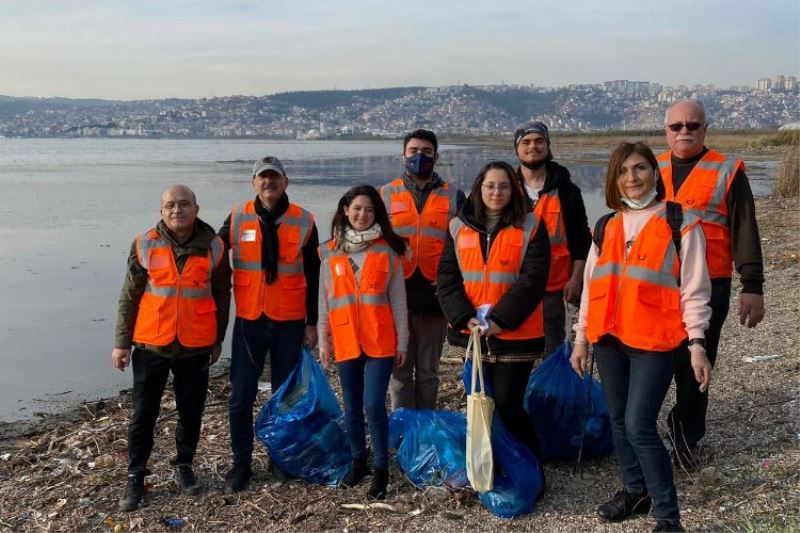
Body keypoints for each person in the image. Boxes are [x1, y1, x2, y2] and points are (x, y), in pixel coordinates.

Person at [571, 142, 713, 533]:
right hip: (609, 340)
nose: (631, 179)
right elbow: (590, 288)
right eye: (623, 172)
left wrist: (697, 345)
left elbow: (695, 290)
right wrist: (581, 339)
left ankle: (668, 518)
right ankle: (635, 491)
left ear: (655, 172)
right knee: (618, 420)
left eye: (639, 169)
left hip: (654, 342)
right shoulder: (606, 226)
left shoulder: (680, 222)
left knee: (639, 425)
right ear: (614, 180)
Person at [659, 99, 766, 469]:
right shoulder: (651, 168)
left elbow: (744, 228)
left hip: (709, 283)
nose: (684, 132)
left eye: (693, 125)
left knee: (696, 361)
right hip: (657, 283)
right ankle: (641, 432)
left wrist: (752, 285)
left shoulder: (727, 170)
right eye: (677, 126)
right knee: (654, 358)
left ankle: (687, 436)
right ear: (666, 130)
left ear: (705, 129)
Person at [112, 184, 231, 512]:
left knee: (191, 411)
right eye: (169, 206)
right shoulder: (145, 243)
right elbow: (130, 295)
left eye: (183, 204)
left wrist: (218, 338)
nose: (176, 210)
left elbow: (223, 294)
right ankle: (135, 475)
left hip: (195, 344)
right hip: (152, 343)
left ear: (196, 208)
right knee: (142, 414)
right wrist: (122, 343)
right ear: (161, 210)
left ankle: (184, 466)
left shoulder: (215, 247)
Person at [219, 156, 320, 493]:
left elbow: (314, 273)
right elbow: (211, 252)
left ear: (285, 181)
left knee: (286, 395)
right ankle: (241, 463)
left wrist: (313, 322)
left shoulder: (304, 221)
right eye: (262, 177)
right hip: (250, 320)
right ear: (253, 183)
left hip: (290, 320)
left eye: (274, 177)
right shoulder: (237, 217)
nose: (268, 183)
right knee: (241, 395)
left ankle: (280, 458)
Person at [437, 161, 550, 458]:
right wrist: (463, 317)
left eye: (504, 186)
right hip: (471, 332)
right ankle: (491, 461)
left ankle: (528, 460)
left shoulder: (531, 225)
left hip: (516, 333)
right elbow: (447, 277)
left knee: (507, 402)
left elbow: (533, 280)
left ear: (514, 190)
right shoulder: (458, 226)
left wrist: (501, 320)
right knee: (479, 401)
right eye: (490, 185)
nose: (496, 192)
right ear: (479, 188)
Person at [318, 185, 409, 500]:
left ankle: (382, 467)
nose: (362, 215)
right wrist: (323, 340)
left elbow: (398, 301)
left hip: (380, 340)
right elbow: (325, 301)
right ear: (345, 210)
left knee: (373, 404)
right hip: (344, 339)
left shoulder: (387, 251)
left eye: (369, 210)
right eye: (356, 208)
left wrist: (403, 341)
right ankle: (360, 461)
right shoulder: (329, 251)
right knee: (352, 406)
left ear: (377, 214)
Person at [381, 129, 466, 410]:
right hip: (396, 295)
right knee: (400, 371)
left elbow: (465, 246)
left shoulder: (454, 195)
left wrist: (456, 289)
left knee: (428, 373)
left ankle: (427, 428)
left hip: (435, 295)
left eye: (427, 152)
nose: (420, 157)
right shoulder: (386, 193)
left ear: (436, 156)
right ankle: (403, 430)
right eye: (414, 151)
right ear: (403, 156)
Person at [513, 121, 592, 356]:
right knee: (513, 347)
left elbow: (580, 240)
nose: (532, 146)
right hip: (511, 285)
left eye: (539, 141)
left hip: (553, 288)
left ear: (548, 146)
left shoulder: (567, 191)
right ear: (516, 149)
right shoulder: (504, 188)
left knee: (553, 348)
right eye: (525, 142)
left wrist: (576, 279)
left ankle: (550, 392)